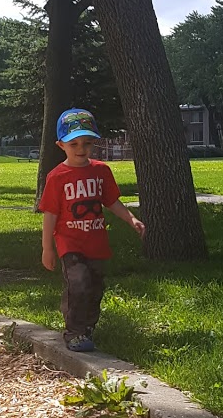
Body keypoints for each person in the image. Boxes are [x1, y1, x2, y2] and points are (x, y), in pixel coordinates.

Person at [39, 107, 145, 352]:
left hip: (96, 243)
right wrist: (48, 248)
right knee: (79, 282)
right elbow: (50, 214)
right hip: (70, 243)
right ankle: (73, 331)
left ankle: (87, 327)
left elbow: (111, 202)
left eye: (87, 143)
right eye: (73, 143)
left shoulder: (101, 171)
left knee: (96, 286)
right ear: (60, 145)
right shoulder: (57, 177)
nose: (81, 149)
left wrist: (131, 220)